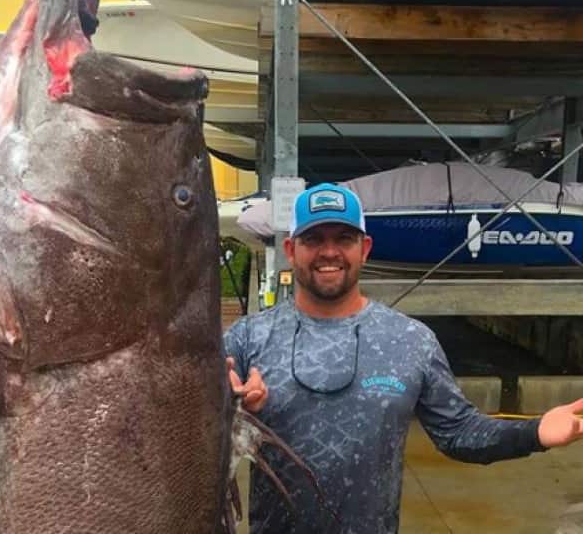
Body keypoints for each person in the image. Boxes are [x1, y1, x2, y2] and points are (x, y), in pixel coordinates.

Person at [225, 182, 583, 534]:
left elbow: (459, 433)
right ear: (291, 249)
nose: (329, 251)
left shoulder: (412, 340)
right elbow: (193, 438)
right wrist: (228, 405)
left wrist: (534, 432)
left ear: (365, 248)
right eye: (314, 239)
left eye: (344, 239)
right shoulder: (246, 338)